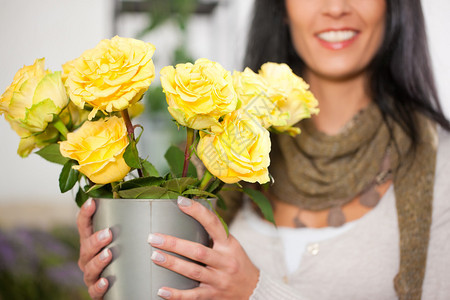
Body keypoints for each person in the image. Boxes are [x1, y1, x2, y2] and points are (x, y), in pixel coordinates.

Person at [76, 0, 450, 299]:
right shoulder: (211, 153)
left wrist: (255, 292)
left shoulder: (442, 167)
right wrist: (129, 275)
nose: (336, 7)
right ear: (281, 9)